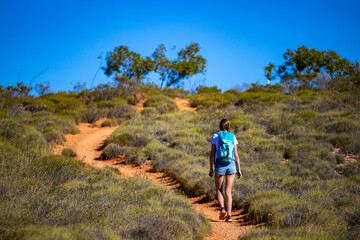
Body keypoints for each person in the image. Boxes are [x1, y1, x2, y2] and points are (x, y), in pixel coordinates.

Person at [209, 119, 242, 222]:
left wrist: (211, 168)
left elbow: (212, 153)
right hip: (231, 164)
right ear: (228, 126)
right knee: (228, 191)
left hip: (220, 164)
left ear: (220, 126)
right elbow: (236, 155)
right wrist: (239, 169)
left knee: (219, 189)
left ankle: (222, 208)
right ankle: (230, 216)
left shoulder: (216, 136)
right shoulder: (233, 136)